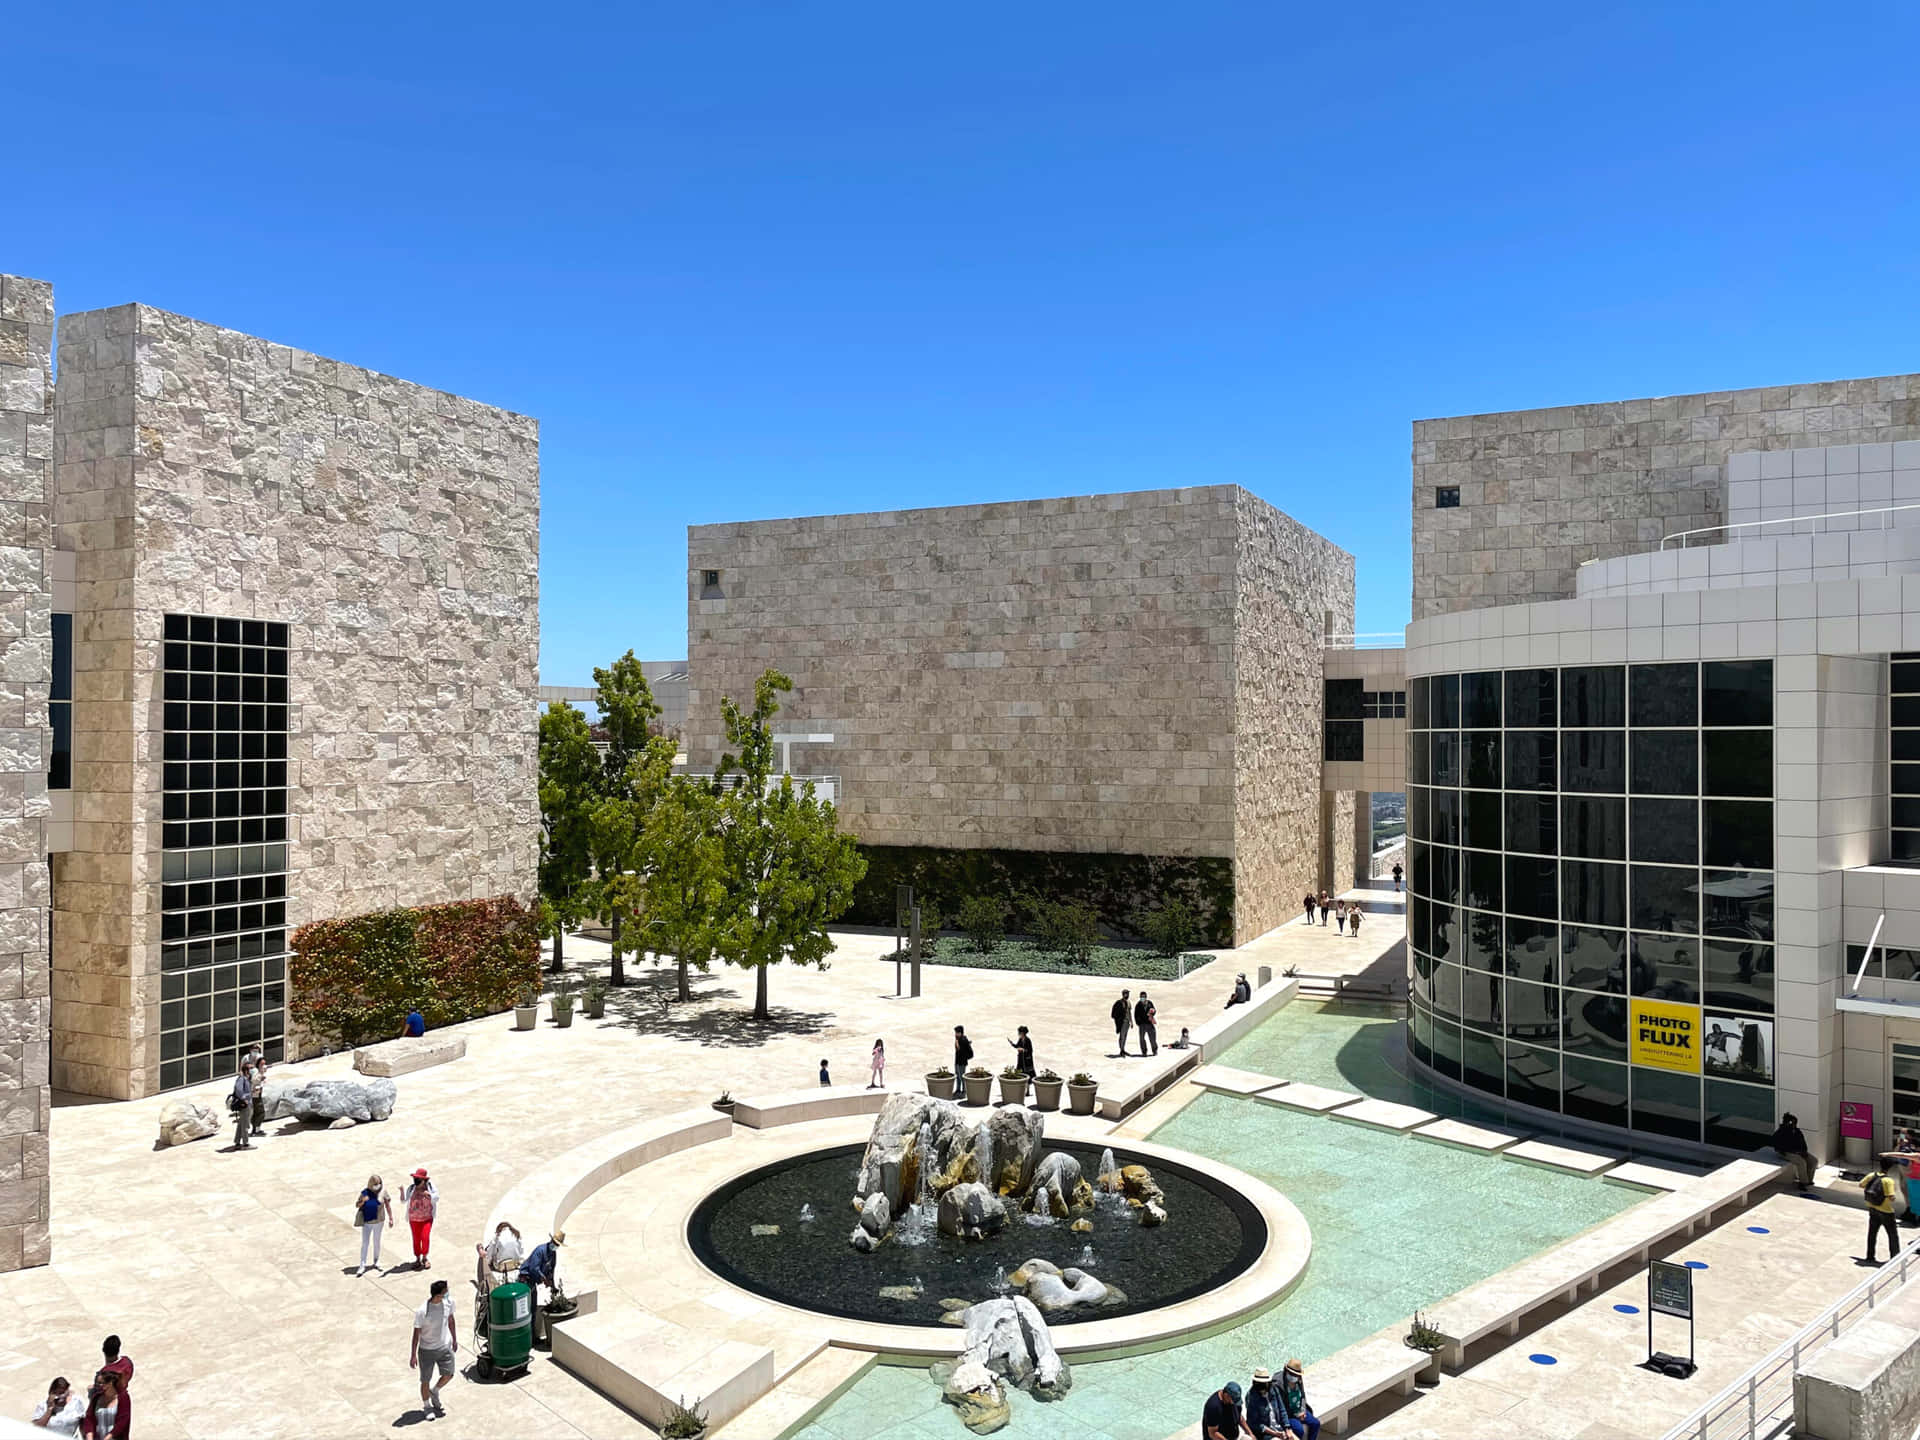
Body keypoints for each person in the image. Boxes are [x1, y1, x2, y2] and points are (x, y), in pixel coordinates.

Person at [410, 1278, 458, 1418]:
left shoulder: (449, 1303)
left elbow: (450, 1320)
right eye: (445, 1293)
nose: (447, 1295)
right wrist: (413, 1355)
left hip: (444, 1346)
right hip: (426, 1350)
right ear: (437, 1295)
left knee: (449, 1374)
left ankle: (435, 1390)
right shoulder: (422, 1311)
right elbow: (416, 1334)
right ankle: (427, 1407)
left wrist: (454, 1339)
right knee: (425, 1380)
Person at [1863, 1157, 1902, 1265]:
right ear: (1890, 1168)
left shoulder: (1872, 1175)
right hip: (1886, 1211)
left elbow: (1861, 1184)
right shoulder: (1888, 1181)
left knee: (1872, 1233)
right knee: (1892, 1235)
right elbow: (1891, 1197)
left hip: (1872, 1208)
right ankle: (1895, 1258)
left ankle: (1870, 1256)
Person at [356, 1174, 394, 1275]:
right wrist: (363, 1201)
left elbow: (387, 1205)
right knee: (365, 1243)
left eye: (379, 1183)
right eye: (376, 1184)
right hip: (367, 1222)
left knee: (376, 1241)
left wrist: (391, 1218)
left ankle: (376, 1261)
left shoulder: (383, 1192)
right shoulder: (365, 1192)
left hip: (379, 1221)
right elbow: (357, 1204)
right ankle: (362, 1264)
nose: (378, 1185)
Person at [404, 1167, 439, 1270]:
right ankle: (417, 1258)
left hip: (426, 1218)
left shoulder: (430, 1188)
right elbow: (405, 1200)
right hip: (414, 1218)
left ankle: (425, 1257)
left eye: (419, 1180)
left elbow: (436, 1197)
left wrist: (429, 1195)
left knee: (425, 1237)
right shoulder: (411, 1188)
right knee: (416, 1239)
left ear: (424, 1180)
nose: (416, 1182)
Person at [1772, 1113, 1816, 1190]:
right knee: (1801, 1162)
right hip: (1785, 1152)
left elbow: (1803, 1143)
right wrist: (1792, 1152)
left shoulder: (1797, 1132)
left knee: (1813, 1160)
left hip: (1798, 1152)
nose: (1794, 1125)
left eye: (1795, 1123)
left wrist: (1804, 1151)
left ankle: (1809, 1180)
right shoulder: (1781, 1131)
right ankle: (1803, 1182)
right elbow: (1777, 1144)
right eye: (1792, 1123)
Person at [78, 1371, 127, 1440]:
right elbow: (89, 1419)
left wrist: (108, 1438)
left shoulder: (123, 1398)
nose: (98, 1385)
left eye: (101, 1383)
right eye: (98, 1383)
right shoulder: (96, 1398)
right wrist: (89, 1437)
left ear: (110, 1383)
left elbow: (122, 1422)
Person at [518, 1230, 564, 1304]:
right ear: (551, 1240)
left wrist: (553, 1286)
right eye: (555, 1243)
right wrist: (544, 1279)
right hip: (526, 1279)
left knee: (533, 1304)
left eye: (557, 1245)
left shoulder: (553, 1254)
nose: (555, 1246)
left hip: (533, 1281)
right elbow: (534, 1268)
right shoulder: (540, 1250)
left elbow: (551, 1270)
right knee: (526, 1304)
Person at [1277, 1359, 1318, 1440]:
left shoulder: (1298, 1379)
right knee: (1299, 1430)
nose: (1294, 1376)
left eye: (1296, 1374)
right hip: (1288, 1415)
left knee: (1315, 1423)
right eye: (1292, 1374)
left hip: (1299, 1410)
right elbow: (1280, 1406)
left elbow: (1302, 1396)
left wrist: (1302, 1410)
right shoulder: (1278, 1384)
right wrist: (1295, 1415)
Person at [1243, 1369, 1284, 1438]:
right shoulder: (1251, 1397)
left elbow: (1282, 1409)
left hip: (1278, 1427)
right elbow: (1255, 1423)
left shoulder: (1274, 1390)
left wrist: (1287, 1427)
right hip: (1265, 1433)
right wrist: (1275, 1434)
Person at [228, 1056, 254, 1150]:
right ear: (246, 1070)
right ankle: (246, 1143)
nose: (252, 1070)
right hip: (245, 1105)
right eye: (251, 1069)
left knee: (241, 1124)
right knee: (245, 1124)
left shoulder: (246, 1079)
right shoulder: (241, 1079)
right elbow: (238, 1090)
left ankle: (237, 1142)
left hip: (247, 1103)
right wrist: (244, 1099)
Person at [250, 1056, 268, 1138]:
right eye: (262, 1064)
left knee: (256, 1113)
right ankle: (256, 1130)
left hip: (257, 1095)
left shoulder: (259, 1073)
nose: (264, 1066)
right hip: (255, 1096)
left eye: (264, 1064)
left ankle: (255, 1129)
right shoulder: (257, 1073)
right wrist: (261, 1078)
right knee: (261, 1113)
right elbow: (254, 1082)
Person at [952, 1026, 973, 1099]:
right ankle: (958, 1090)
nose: (955, 1034)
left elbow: (960, 1049)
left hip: (962, 1062)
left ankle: (964, 1092)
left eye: (957, 1032)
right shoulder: (958, 1039)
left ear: (960, 1033)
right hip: (957, 1061)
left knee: (962, 1077)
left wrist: (957, 1042)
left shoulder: (963, 1040)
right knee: (958, 1076)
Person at [1112, 990, 1133, 1057]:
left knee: (1125, 1036)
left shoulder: (1129, 1002)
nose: (1127, 995)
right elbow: (1114, 1014)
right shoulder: (1119, 1003)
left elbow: (1129, 1012)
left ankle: (1123, 1049)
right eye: (1126, 994)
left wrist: (1131, 1021)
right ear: (1123, 994)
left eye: (1128, 994)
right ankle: (1121, 1050)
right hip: (1122, 1022)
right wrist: (1118, 1021)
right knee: (1122, 1036)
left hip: (1127, 1022)